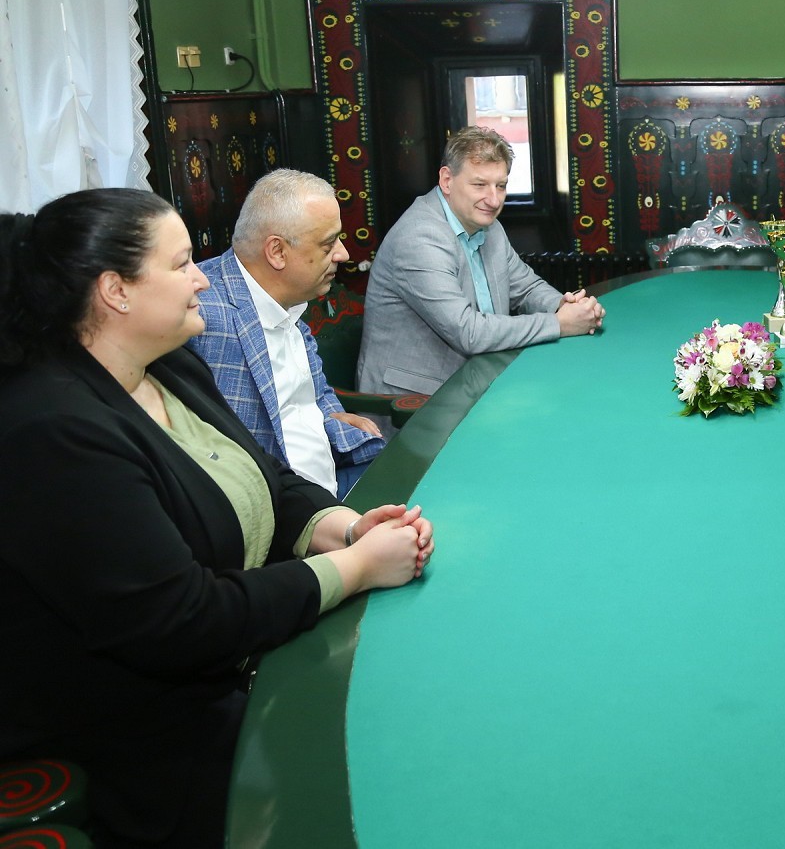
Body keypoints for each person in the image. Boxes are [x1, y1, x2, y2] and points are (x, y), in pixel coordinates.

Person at [0, 189, 435, 847]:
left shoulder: (169, 360)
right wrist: (354, 568)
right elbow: (184, 622)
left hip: (238, 661)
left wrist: (346, 527)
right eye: (181, 264)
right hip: (145, 737)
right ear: (116, 291)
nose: (203, 277)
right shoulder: (53, 430)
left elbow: (268, 478)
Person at [357, 126, 605, 396]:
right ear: (447, 180)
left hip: (477, 379)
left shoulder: (489, 226)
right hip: (413, 401)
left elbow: (526, 287)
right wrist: (560, 323)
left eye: (501, 186)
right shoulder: (419, 237)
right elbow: (468, 332)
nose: (494, 200)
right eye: (479, 185)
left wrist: (565, 306)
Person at [189, 169, 382, 499]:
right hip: (286, 507)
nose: (343, 254)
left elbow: (313, 393)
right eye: (328, 244)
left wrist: (330, 415)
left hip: (332, 481)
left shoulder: (285, 296)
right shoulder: (201, 315)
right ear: (277, 252)